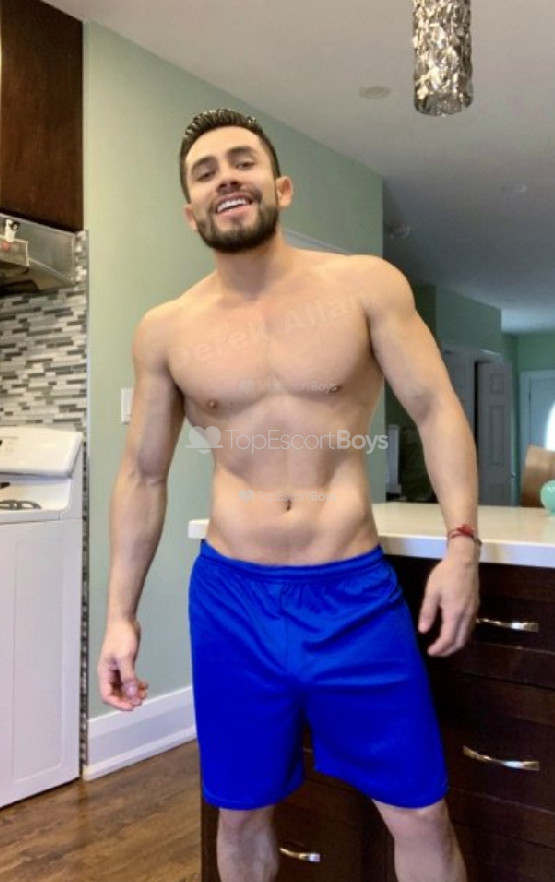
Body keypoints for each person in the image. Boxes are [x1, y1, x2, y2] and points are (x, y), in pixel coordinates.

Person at [98, 108, 480, 882]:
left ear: (281, 186)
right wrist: (119, 616)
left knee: (419, 811)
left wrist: (461, 545)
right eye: (205, 172)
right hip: (231, 601)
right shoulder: (165, 330)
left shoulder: (365, 285)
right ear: (190, 211)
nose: (225, 179)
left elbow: (437, 409)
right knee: (239, 811)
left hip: (353, 595)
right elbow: (142, 474)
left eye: (242, 162)